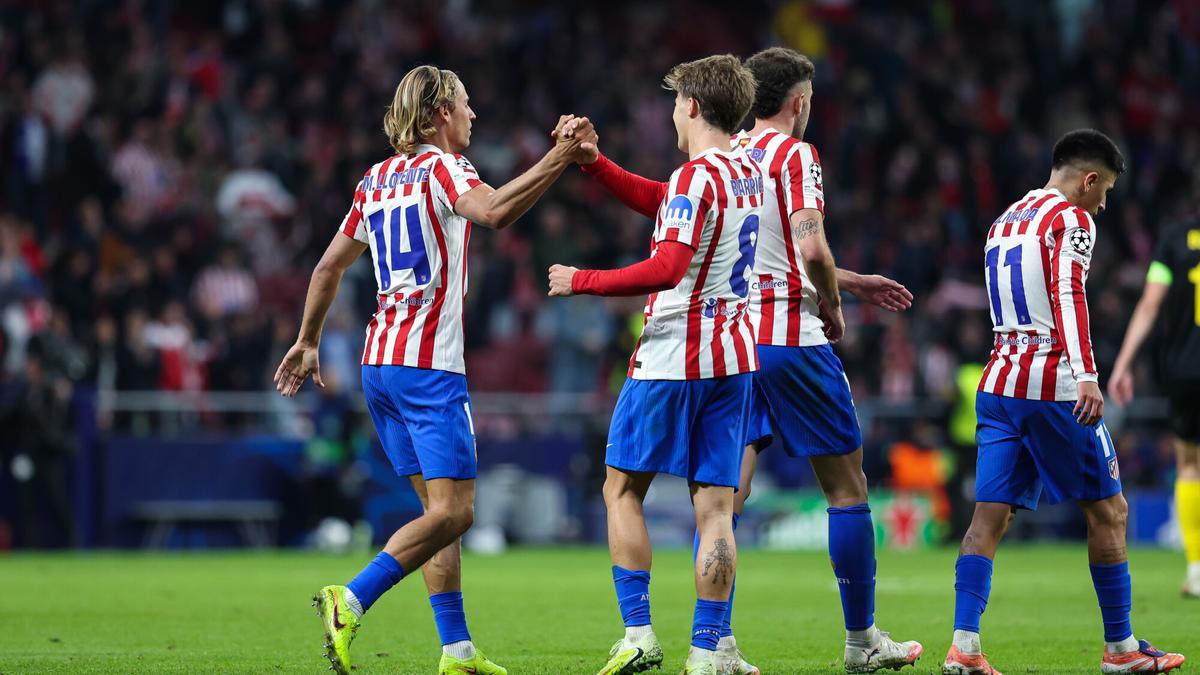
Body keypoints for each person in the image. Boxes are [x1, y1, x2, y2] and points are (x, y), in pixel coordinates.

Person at [559, 47, 920, 674]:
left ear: (697, 104)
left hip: (718, 339)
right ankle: (832, 641)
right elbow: (806, 250)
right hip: (767, 345)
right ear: (798, 101)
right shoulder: (762, 166)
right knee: (828, 491)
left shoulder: (730, 160)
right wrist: (836, 302)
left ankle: (680, 637)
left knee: (653, 491)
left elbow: (675, 230)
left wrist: (582, 276)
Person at [273, 64, 593, 675]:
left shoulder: (375, 180)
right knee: (456, 513)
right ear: (441, 113)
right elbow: (495, 212)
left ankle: (457, 653)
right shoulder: (444, 169)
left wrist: (308, 339)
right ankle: (352, 599)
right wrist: (559, 158)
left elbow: (326, 269)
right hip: (427, 369)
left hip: (379, 365)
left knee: (435, 515)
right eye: (467, 105)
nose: (474, 115)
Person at [547, 54, 761, 675]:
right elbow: (662, 199)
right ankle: (707, 649)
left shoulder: (698, 177)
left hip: (673, 354)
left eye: (674, 102)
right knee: (716, 507)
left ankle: (639, 633)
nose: (672, 112)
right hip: (733, 356)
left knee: (621, 488)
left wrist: (581, 279)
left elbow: (667, 267)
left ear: (692, 105)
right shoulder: (745, 173)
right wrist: (596, 165)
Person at [943, 129, 1185, 674]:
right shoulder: (1073, 220)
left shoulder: (1004, 220)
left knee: (989, 517)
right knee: (1110, 510)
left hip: (998, 380)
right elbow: (1069, 295)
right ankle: (1121, 650)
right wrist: (1087, 376)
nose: (1104, 203)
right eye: (1106, 192)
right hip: (1051, 385)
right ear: (1089, 179)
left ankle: (964, 645)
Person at [1108, 219, 1200, 598]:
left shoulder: (1175, 237)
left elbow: (1150, 302)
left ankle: (1196, 569)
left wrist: (1124, 362)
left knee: (1191, 464)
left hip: (1185, 370)